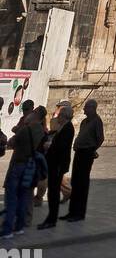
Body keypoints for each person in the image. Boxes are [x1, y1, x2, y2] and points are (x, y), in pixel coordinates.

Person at [2, 108, 46, 239]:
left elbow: (11, 143)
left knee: (11, 198)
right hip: (30, 166)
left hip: (18, 164)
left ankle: (7, 229)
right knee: (23, 197)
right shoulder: (41, 131)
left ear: (35, 115)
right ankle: (19, 226)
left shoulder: (26, 129)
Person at [62, 98, 104, 223]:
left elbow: (100, 138)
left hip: (87, 153)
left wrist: (92, 149)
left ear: (92, 108)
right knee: (75, 181)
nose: (84, 109)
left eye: (86, 107)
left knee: (82, 183)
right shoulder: (85, 121)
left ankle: (79, 213)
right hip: (79, 152)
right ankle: (72, 212)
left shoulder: (97, 121)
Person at [37, 102, 74, 230]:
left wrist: (50, 146)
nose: (58, 116)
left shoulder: (68, 128)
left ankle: (51, 219)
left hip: (58, 165)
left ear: (65, 116)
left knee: (53, 192)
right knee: (53, 192)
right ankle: (51, 218)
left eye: (60, 115)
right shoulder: (63, 127)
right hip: (56, 164)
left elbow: (61, 147)